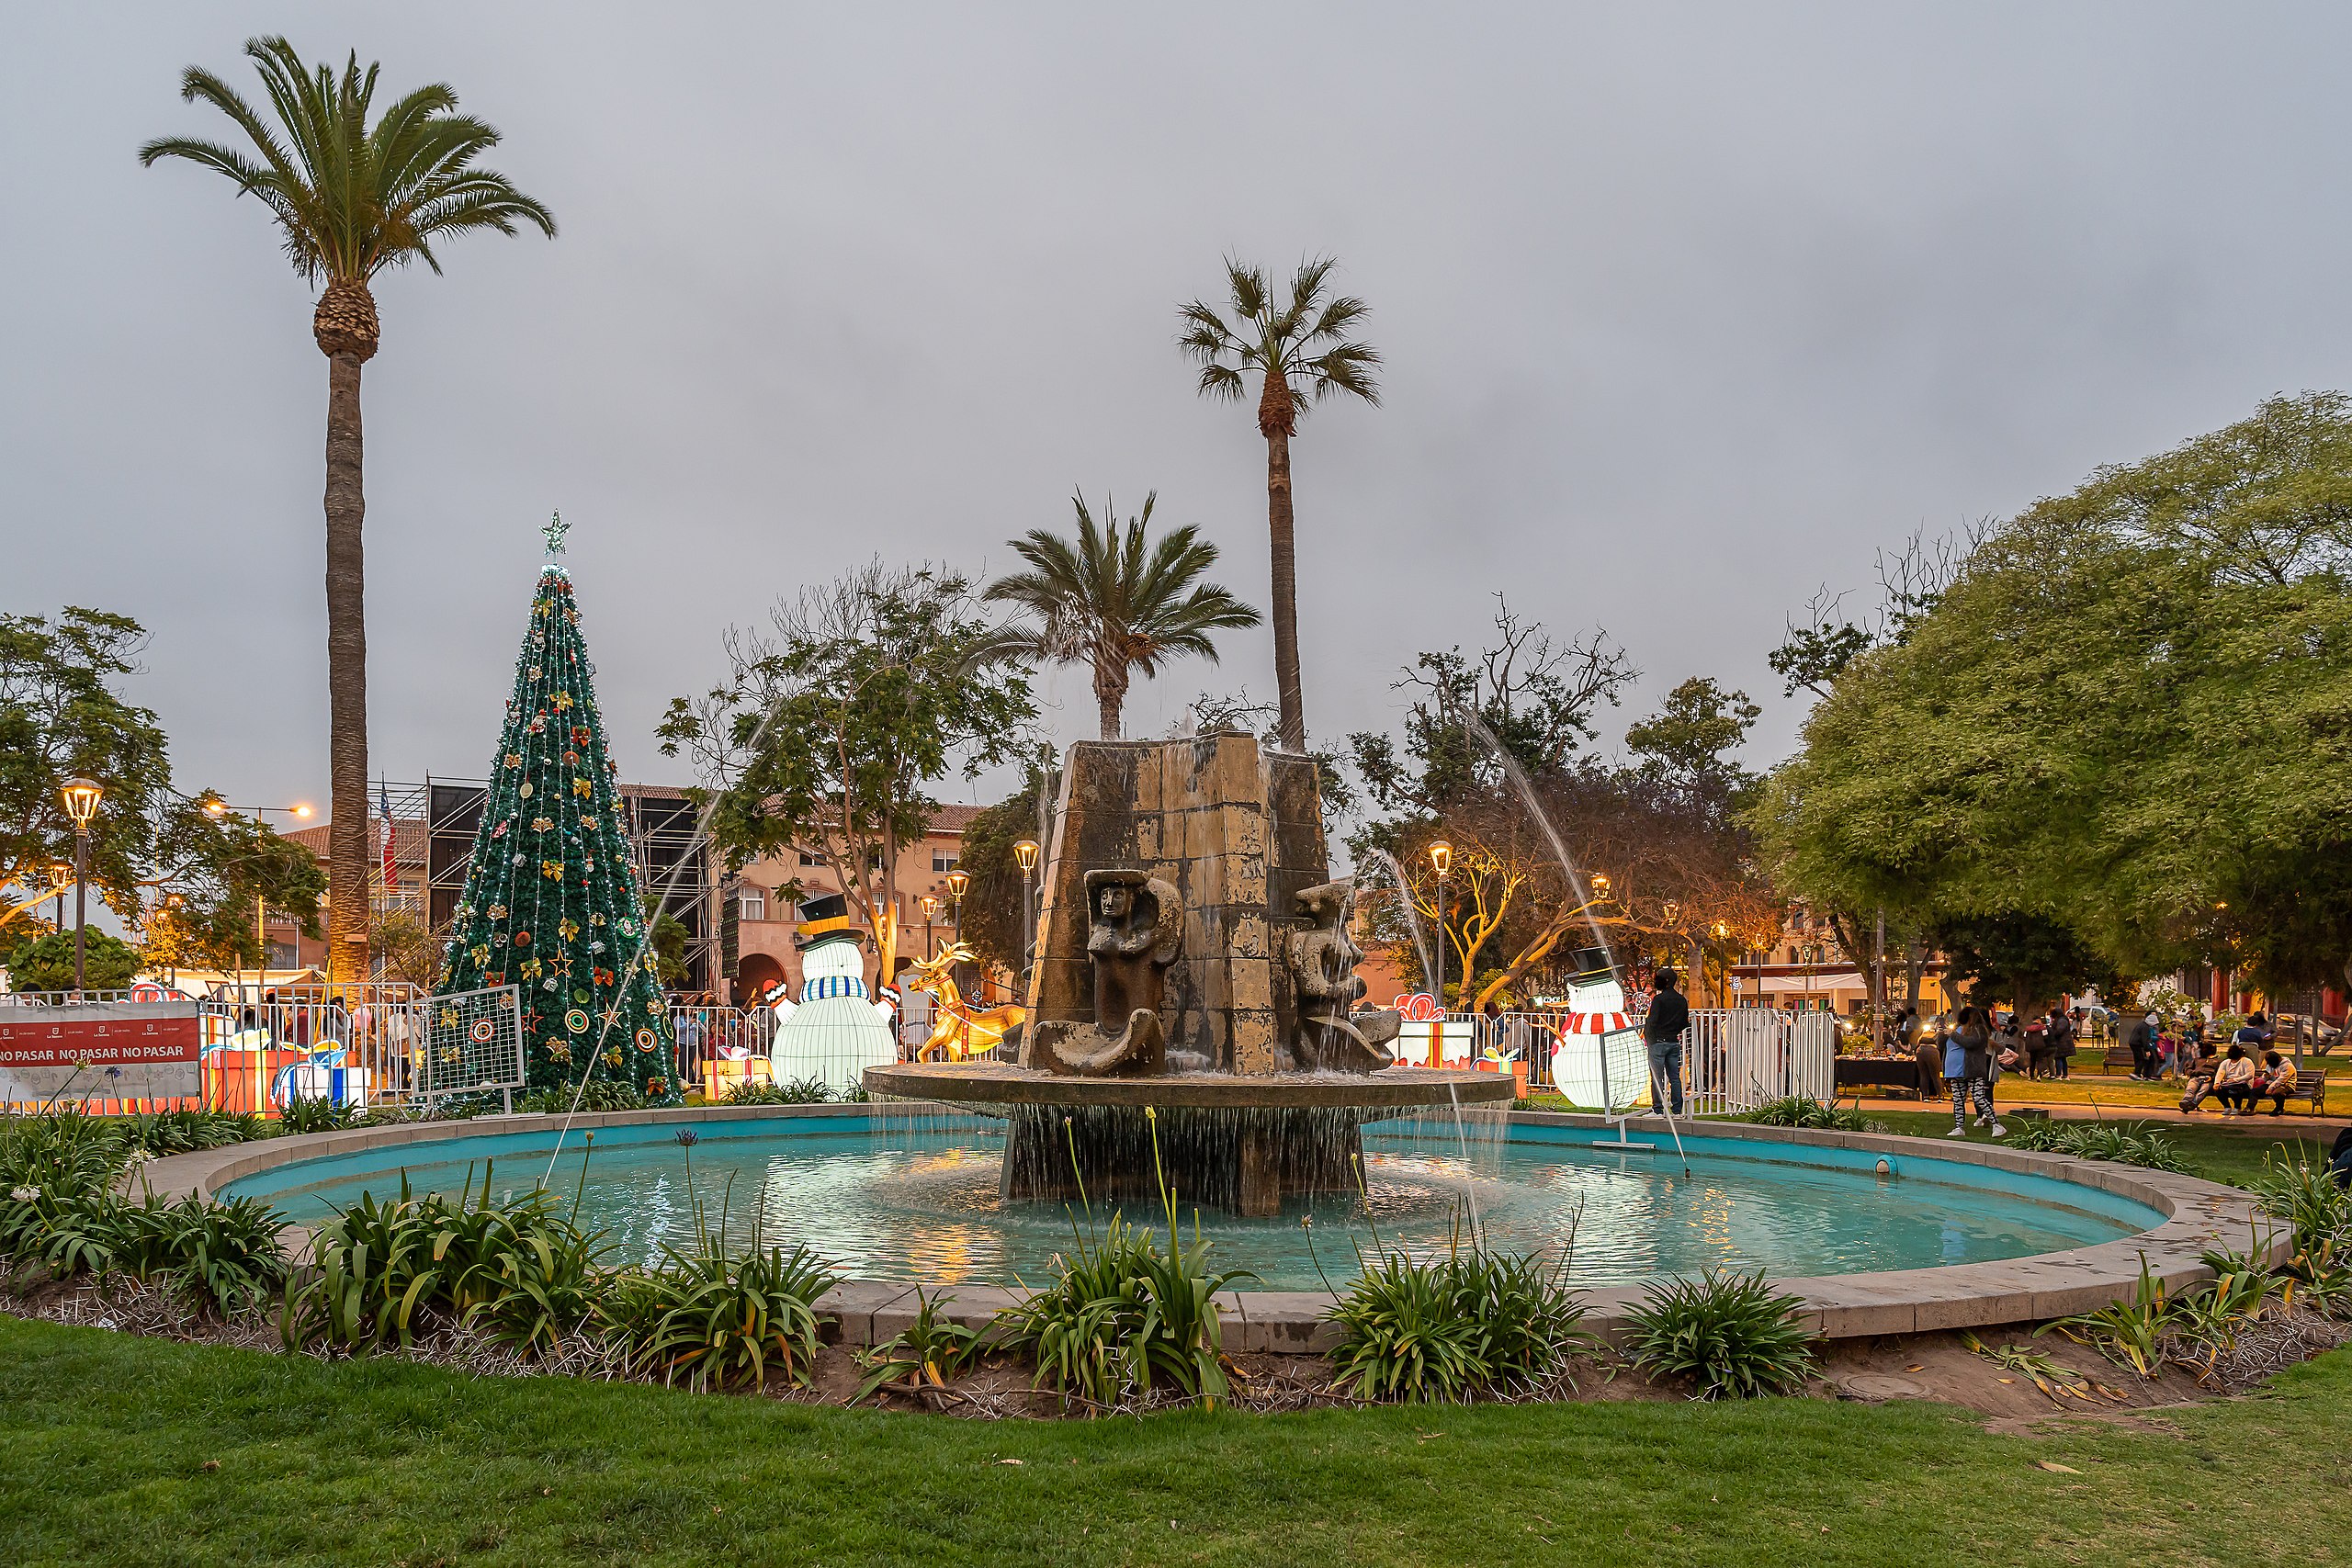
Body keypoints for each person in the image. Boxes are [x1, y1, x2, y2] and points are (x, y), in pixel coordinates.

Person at [1945, 1005, 2005, 1138]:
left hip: (1972, 1069)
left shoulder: (1979, 1030)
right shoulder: (1957, 1030)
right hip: (1956, 1071)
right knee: (1958, 1100)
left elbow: (1971, 1043)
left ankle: (1996, 1124)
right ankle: (1959, 1126)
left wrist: (1953, 1035)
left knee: (1978, 1097)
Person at [1642, 966, 1690, 1116]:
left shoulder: (1659, 1000)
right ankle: (1677, 1110)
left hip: (1658, 1042)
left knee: (1657, 1078)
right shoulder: (1681, 1000)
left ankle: (1657, 1110)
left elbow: (1653, 1021)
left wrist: (1649, 1037)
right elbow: (1684, 1022)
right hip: (1673, 1041)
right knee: (1674, 1077)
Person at [2211, 1044, 2260, 1116]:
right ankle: (2227, 1107)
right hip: (2228, 1084)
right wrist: (2217, 1083)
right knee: (2217, 1089)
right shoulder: (2225, 1062)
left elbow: (2249, 1075)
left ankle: (2237, 1107)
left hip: (2244, 1084)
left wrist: (2235, 1080)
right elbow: (2220, 1073)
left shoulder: (2247, 1061)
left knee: (2234, 1089)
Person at [2254, 1050, 2299, 1116]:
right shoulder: (2271, 1064)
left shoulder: (2288, 1066)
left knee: (2277, 1093)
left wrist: (2271, 1088)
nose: (2269, 1065)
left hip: (2287, 1085)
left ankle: (2279, 1109)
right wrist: (2264, 1078)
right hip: (2272, 1083)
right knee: (2255, 1091)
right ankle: (2250, 1107)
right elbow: (2266, 1075)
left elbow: (2282, 1080)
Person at [2121, 1007, 2158, 1079]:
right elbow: (2144, 1039)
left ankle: (2142, 1074)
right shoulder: (2145, 1027)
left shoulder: (2141, 1024)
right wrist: (2147, 1050)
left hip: (2134, 1043)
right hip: (2138, 1044)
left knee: (2139, 1059)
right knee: (2142, 1059)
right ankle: (2137, 1073)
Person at [2042, 1006, 2075, 1079]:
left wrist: (2052, 1033)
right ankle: (2065, 1074)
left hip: (2061, 1042)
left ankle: (2058, 1074)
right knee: (2063, 1059)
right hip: (2064, 1042)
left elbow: (2059, 1031)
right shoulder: (2063, 1020)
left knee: (2058, 1058)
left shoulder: (2061, 1021)